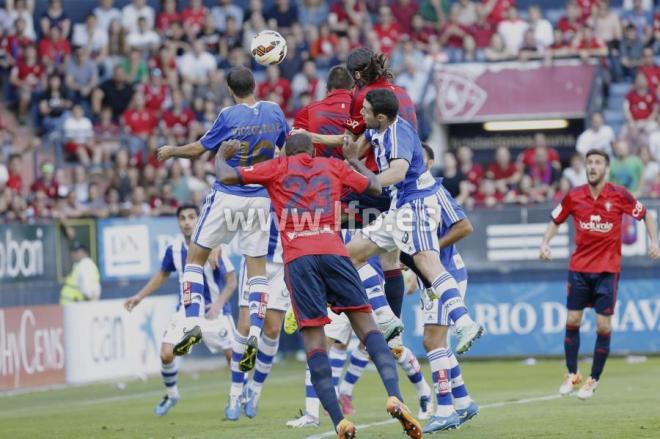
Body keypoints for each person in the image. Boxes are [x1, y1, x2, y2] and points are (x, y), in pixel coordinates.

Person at [216, 133, 422, 439]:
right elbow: (376, 186)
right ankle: (395, 396)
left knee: (315, 342)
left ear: (287, 152)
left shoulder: (277, 166)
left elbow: (229, 178)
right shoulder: (332, 165)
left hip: (299, 259)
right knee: (368, 327)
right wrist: (353, 160)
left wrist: (221, 156)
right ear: (313, 151)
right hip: (335, 251)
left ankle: (339, 421)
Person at [156, 66, 289, 374]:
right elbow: (282, 146)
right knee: (257, 270)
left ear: (231, 90)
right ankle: (253, 335)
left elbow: (200, 148)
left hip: (229, 193)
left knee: (194, 259)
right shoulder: (274, 111)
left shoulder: (228, 116)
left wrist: (172, 150)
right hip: (259, 198)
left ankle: (192, 322)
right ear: (255, 85)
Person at [539, 149, 660, 400]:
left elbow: (647, 215)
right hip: (579, 269)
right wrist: (545, 243)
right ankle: (572, 374)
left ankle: (593, 380)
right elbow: (555, 219)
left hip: (607, 270)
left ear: (606, 168)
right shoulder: (574, 195)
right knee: (572, 321)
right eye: (589, 163)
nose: (592, 167)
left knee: (603, 326)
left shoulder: (618, 195)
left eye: (598, 163)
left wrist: (654, 241)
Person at [124, 205, 237, 416]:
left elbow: (231, 281)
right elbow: (162, 275)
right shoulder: (174, 249)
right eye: (182, 218)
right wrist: (139, 297)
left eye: (191, 217)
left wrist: (219, 305)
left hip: (214, 312)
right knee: (166, 354)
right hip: (186, 311)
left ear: (198, 220)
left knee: (233, 357)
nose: (187, 222)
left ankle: (238, 397)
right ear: (178, 222)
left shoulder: (214, 247)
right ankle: (172, 394)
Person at [398, 143, 481, 432]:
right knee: (437, 342)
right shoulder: (403, 196)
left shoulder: (436, 190)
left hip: (445, 273)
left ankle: (445, 409)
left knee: (433, 341)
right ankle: (463, 402)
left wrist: (428, 249)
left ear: (428, 163)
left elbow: (464, 226)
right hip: (429, 277)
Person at [225, 221, 291, 421]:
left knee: (272, 330)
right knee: (245, 326)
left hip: (283, 263)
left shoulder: (296, 189)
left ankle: (254, 390)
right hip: (255, 259)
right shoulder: (256, 188)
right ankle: (235, 393)